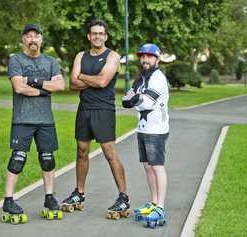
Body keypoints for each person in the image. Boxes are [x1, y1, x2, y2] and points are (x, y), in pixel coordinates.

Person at [61, 19, 130, 218]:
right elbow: (72, 85)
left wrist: (82, 76)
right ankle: (79, 193)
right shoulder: (81, 55)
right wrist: (88, 78)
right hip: (84, 109)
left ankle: (123, 196)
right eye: (94, 33)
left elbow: (102, 81)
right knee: (82, 150)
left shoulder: (113, 56)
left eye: (101, 33)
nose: (97, 36)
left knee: (109, 153)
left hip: (104, 109)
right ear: (89, 36)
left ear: (105, 37)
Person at [2, 23, 65, 223]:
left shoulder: (51, 62)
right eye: (28, 36)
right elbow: (19, 87)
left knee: (48, 159)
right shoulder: (16, 60)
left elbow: (60, 85)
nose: (32, 40)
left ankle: (49, 197)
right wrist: (44, 90)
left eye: (36, 36)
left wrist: (34, 82)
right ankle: (8, 200)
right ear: (23, 40)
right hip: (22, 119)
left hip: (45, 120)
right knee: (18, 159)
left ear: (41, 39)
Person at [122, 43, 169, 227]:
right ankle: (154, 202)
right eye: (142, 56)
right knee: (147, 167)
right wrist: (130, 99)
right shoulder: (142, 78)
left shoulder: (158, 78)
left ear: (157, 59)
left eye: (149, 56)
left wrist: (133, 100)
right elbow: (131, 94)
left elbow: (147, 102)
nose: (145, 59)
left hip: (156, 129)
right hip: (143, 128)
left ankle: (161, 207)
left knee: (157, 167)